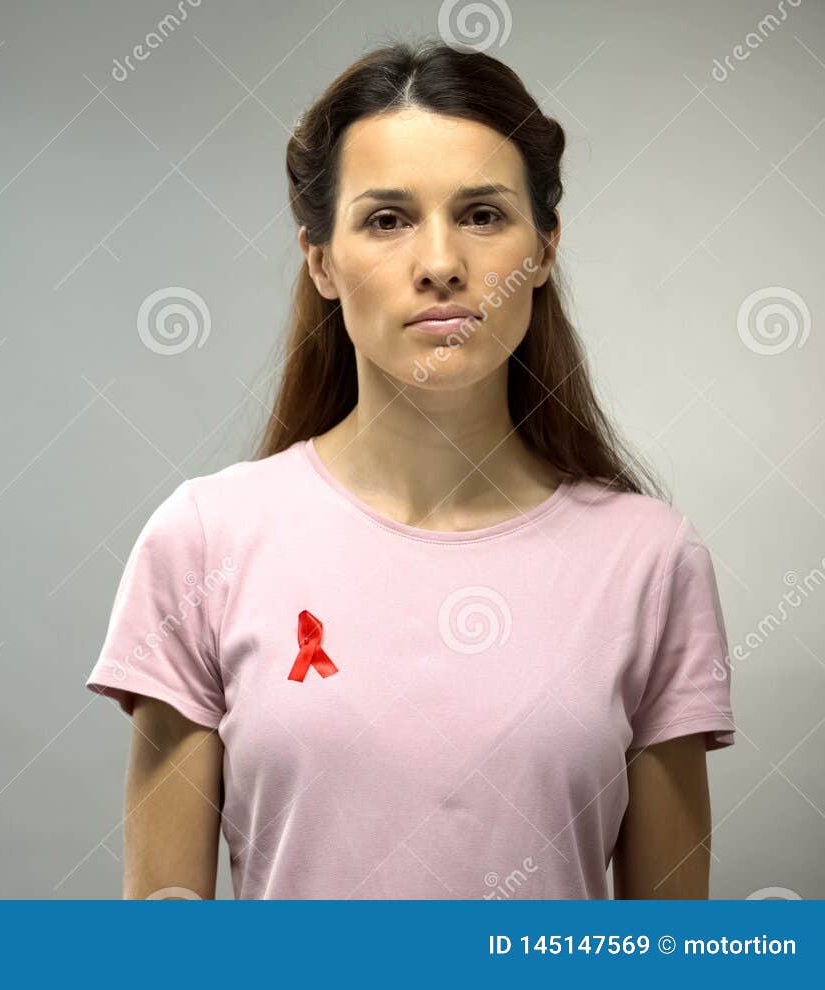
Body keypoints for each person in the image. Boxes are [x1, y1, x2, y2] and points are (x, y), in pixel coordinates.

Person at [83, 40, 735, 900]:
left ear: (544, 250)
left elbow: (675, 953)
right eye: (387, 220)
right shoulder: (204, 542)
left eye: (483, 215)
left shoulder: (651, 560)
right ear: (320, 260)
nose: (440, 264)